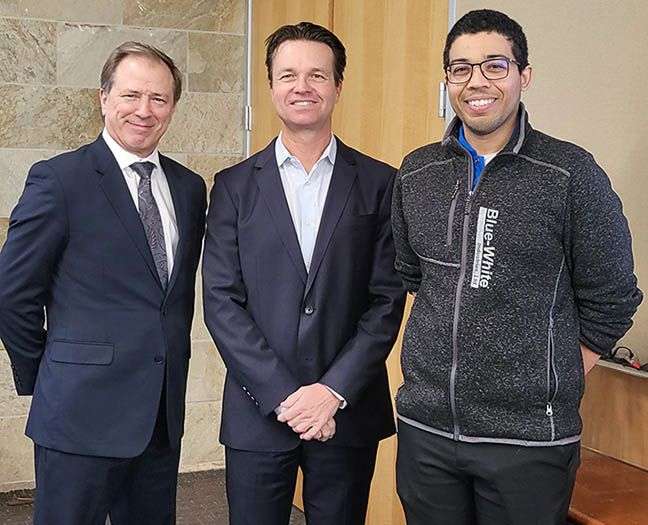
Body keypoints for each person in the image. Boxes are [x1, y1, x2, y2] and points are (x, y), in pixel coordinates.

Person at [391, 9, 643, 525]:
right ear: (447, 80)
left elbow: (614, 297)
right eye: (460, 68)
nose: (475, 81)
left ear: (524, 76)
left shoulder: (569, 174)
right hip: (428, 431)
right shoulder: (417, 172)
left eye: (495, 66)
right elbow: (414, 275)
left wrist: (551, 371)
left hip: (529, 441)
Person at [202, 21, 405, 525]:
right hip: (258, 409)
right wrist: (286, 398)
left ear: (338, 86)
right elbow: (222, 303)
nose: (303, 86)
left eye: (318, 75)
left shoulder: (380, 183)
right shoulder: (231, 187)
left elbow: (386, 301)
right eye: (288, 74)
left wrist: (330, 393)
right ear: (270, 86)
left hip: (347, 409)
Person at [0, 41, 206, 524]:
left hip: (158, 418)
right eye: (131, 95)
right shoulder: (59, 180)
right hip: (78, 415)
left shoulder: (190, 188)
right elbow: (12, 293)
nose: (144, 110)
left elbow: (169, 300)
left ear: (173, 107)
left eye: (159, 99)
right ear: (103, 98)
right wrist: (47, 371)